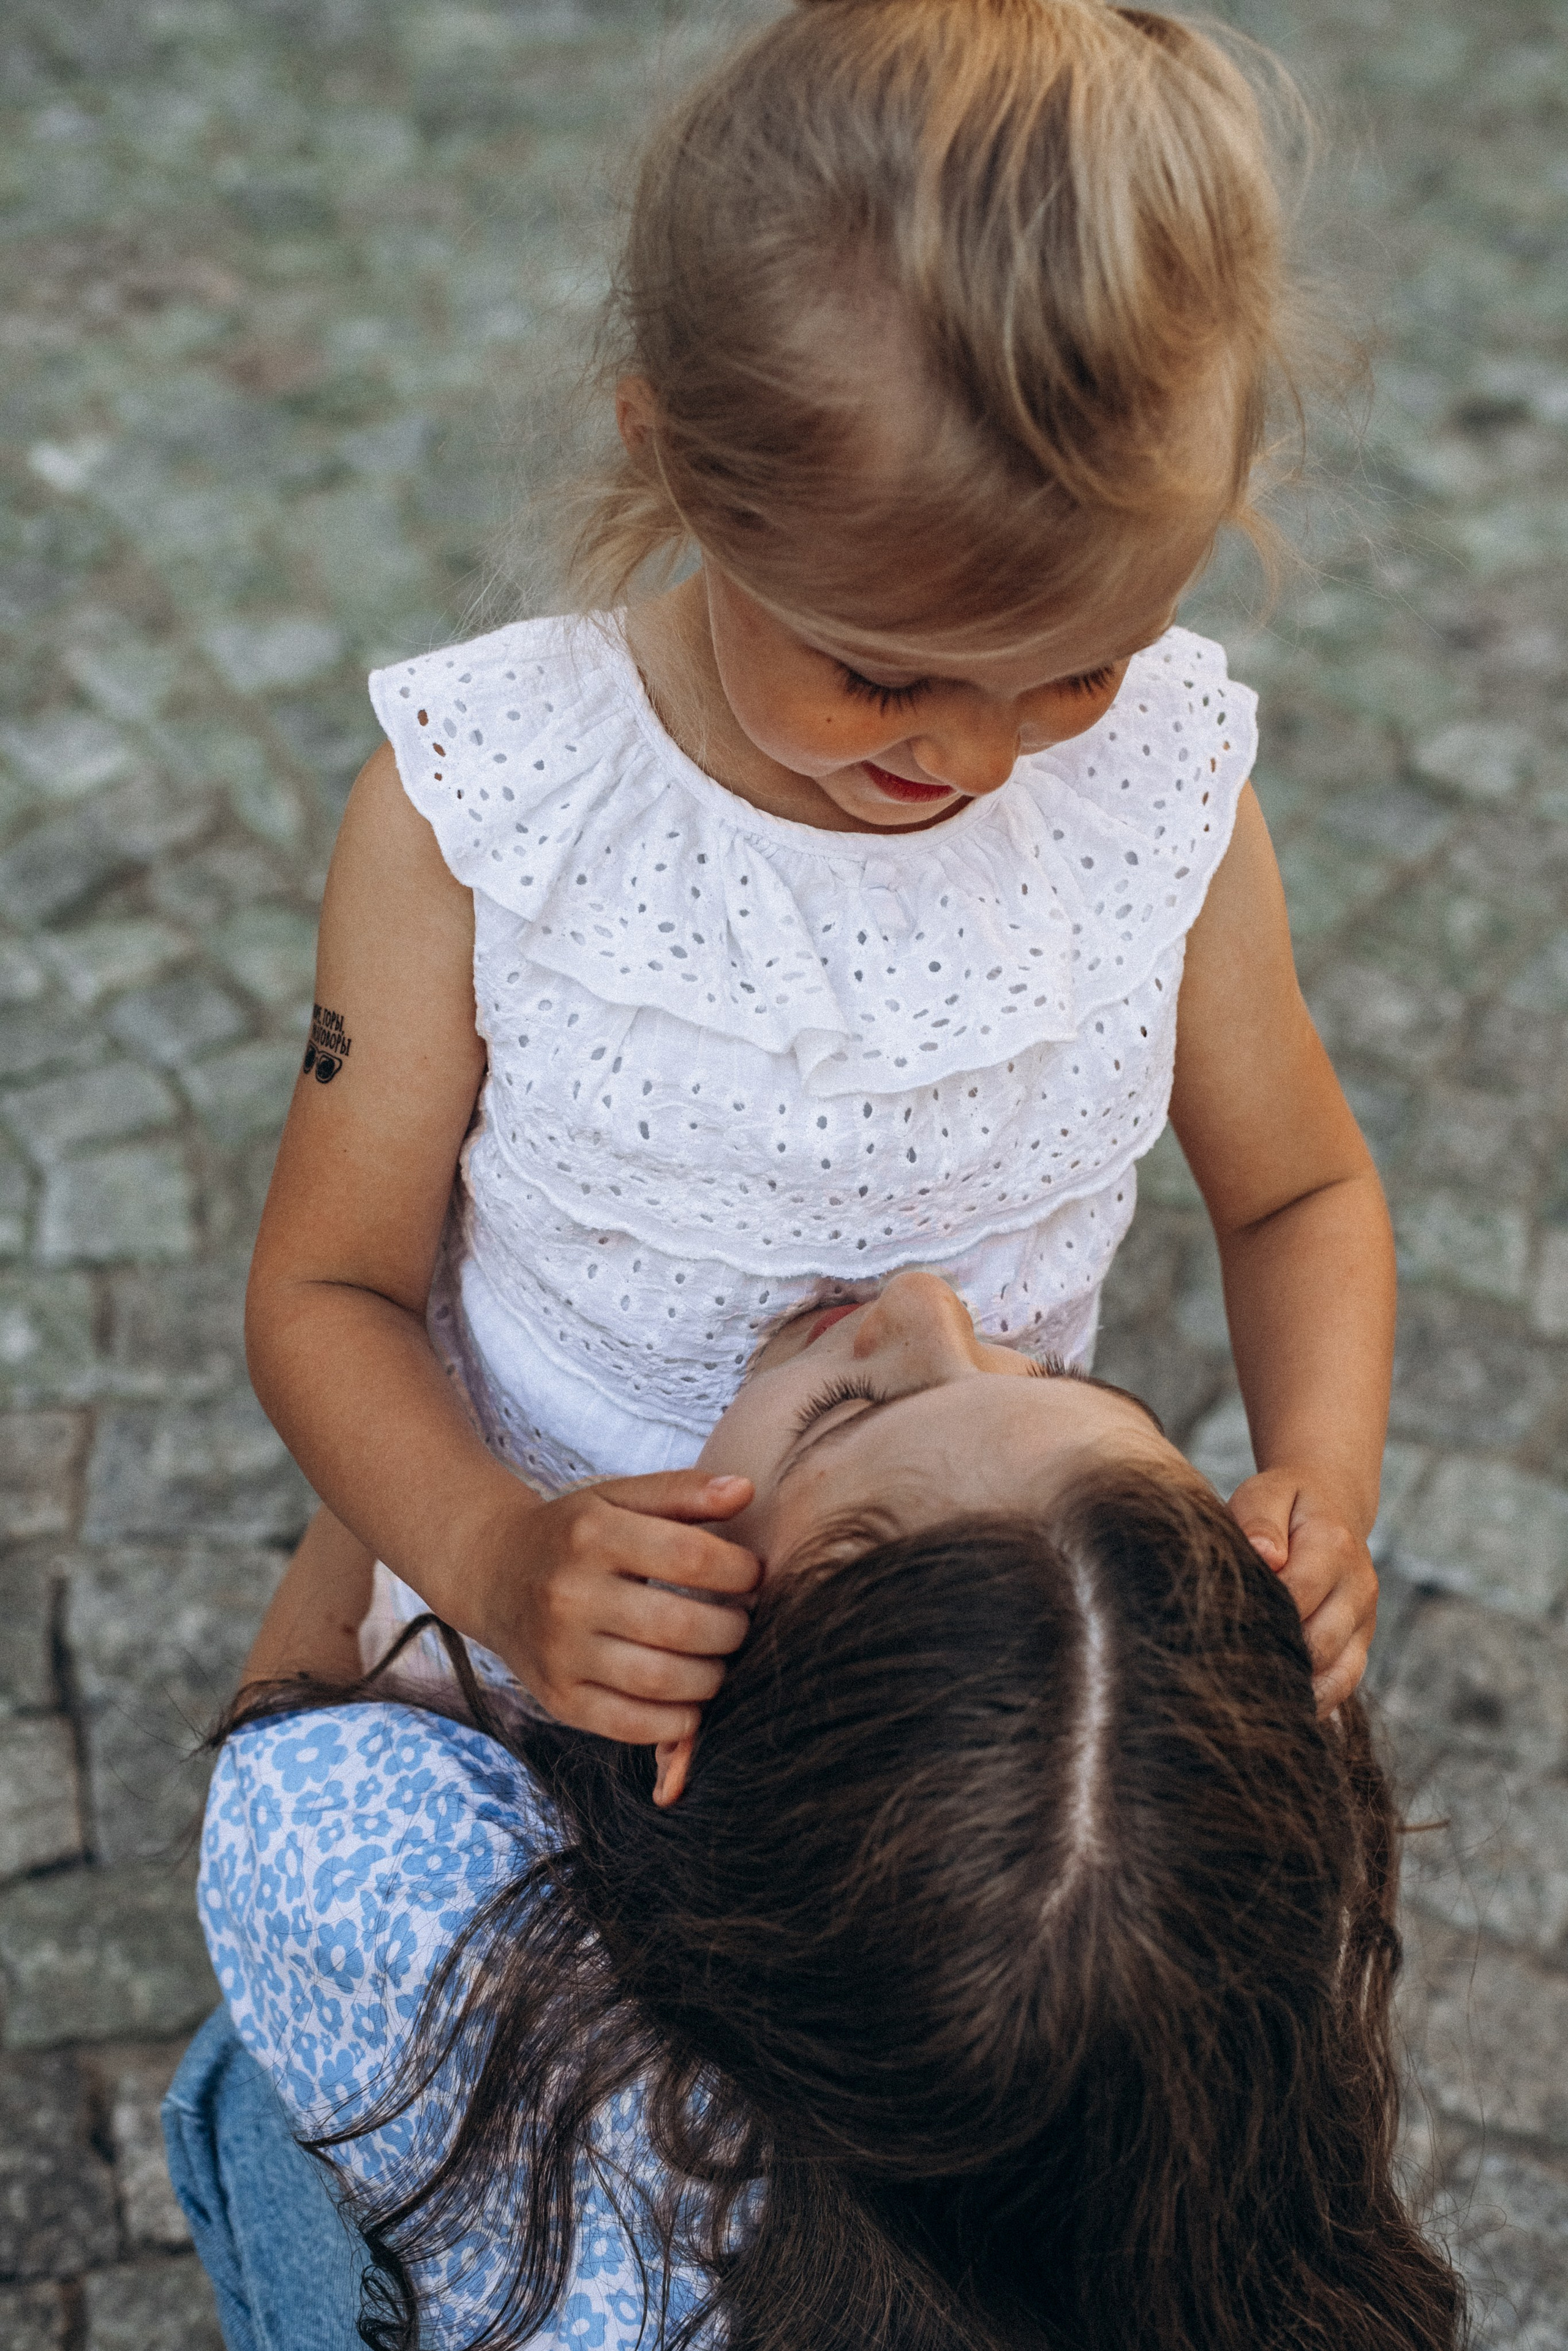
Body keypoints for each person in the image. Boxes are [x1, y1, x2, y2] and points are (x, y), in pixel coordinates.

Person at [244, 0, 1392, 1767]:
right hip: (536, 1623)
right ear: (677, 458)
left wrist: (1319, 1476)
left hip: (925, 1706)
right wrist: (493, 1553)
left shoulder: (1154, 787)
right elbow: (327, 1294)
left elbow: (1299, 1191)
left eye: (1081, 665)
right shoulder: (492, 812)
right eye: (885, 678)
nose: (989, 758)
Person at [166, 1274, 1464, 2351]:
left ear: (681, 1735)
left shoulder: (394, 1903)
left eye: (835, 1417)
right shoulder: (1222, 2049)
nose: (922, 1302)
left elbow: (308, 1701)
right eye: (1069, 1381)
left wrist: (480, 1407)